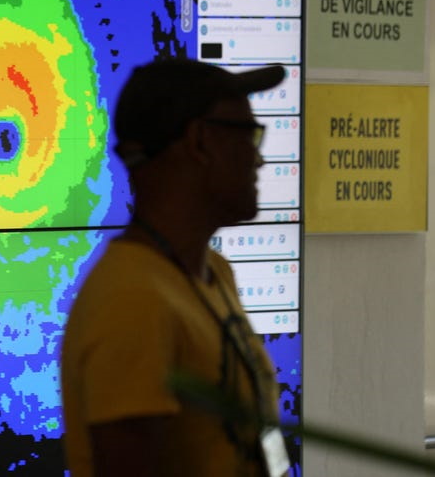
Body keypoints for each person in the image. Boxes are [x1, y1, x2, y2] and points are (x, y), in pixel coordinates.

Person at [60, 58, 288, 477]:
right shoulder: (132, 301)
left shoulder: (213, 272)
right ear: (200, 142)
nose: (259, 162)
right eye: (248, 137)